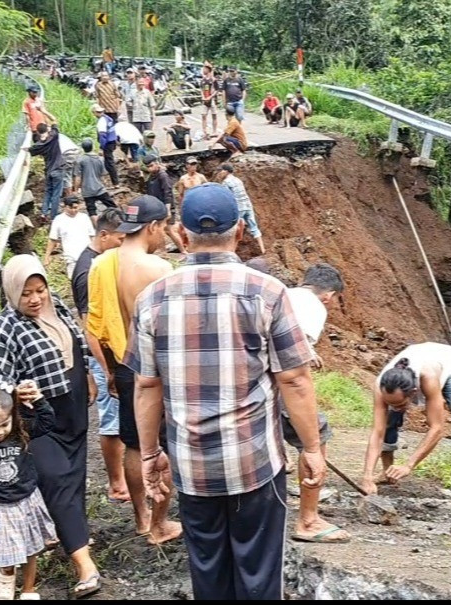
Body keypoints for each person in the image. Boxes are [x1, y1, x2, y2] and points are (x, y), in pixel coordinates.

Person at [125, 183, 325, 600]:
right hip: (254, 463)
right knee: (258, 573)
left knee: (208, 571)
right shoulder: (268, 292)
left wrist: (148, 454)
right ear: (239, 233)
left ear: (181, 234)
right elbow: (294, 378)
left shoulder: (152, 299)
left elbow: (146, 384)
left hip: (192, 466)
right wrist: (311, 448)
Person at [0, 255, 102, 599]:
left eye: (40, 290)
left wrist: (88, 373)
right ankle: (84, 564)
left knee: (73, 475)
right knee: (58, 479)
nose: (35, 299)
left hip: (73, 406)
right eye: (26, 294)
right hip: (40, 419)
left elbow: (75, 340)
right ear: (11, 292)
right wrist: (14, 391)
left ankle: (65, 531)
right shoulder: (4, 328)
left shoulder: (56, 305)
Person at [87, 195, 183, 546]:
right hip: (156, 368)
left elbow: (95, 324)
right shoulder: (157, 269)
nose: (165, 236)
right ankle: (161, 523)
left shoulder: (102, 263)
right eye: (164, 228)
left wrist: (109, 370)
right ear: (153, 227)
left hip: (124, 365)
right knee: (162, 444)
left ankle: (141, 518)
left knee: (133, 442)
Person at [0, 382, 58, 601]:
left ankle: (29, 589)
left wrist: (37, 399)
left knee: (31, 548)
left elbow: (47, 422)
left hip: (27, 500)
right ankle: (6, 572)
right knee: (6, 551)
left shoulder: (19, 433)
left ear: (12, 416)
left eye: (4, 424)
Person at [362, 342, 451, 496]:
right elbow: (377, 432)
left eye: (400, 403)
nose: (395, 406)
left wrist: (408, 465)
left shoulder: (429, 377)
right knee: (389, 420)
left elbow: (437, 428)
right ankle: (388, 472)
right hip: (420, 353)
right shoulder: (381, 386)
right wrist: (367, 476)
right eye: (390, 403)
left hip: (450, 362)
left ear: (413, 393)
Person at [282, 263, 350, 544]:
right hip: (278, 384)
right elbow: (292, 361)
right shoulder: (314, 307)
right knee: (316, 434)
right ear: (328, 295)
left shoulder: (283, 294)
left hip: (245, 385)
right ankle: (308, 520)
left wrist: (308, 350)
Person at [72, 209, 130, 504]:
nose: (123, 244)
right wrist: (107, 369)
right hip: (102, 355)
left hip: (109, 352)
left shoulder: (98, 262)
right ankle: (117, 483)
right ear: (104, 235)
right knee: (111, 420)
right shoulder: (88, 270)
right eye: (120, 238)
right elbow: (88, 327)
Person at [143, 156, 187, 254]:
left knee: (163, 229)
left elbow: (168, 192)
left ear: (157, 163)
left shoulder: (163, 175)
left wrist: (167, 209)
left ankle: (167, 250)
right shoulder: (151, 177)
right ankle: (181, 250)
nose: (150, 168)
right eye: (148, 167)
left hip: (165, 207)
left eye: (151, 165)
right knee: (168, 230)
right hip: (157, 207)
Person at [216, 163, 263, 253]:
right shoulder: (238, 180)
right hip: (248, 206)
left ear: (226, 171)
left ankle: (231, 252)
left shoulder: (226, 182)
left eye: (220, 171)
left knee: (234, 230)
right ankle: (263, 250)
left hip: (239, 208)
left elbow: (227, 198)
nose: (219, 173)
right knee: (255, 228)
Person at [44, 197, 95, 278]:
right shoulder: (59, 219)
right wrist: (47, 256)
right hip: (71, 258)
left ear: (79, 206)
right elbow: (52, 239)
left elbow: (92, 236)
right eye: (70, 208)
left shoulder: (84, 217)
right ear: (65, 207)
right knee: (75, 281)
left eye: (75, 208)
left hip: (87, 256)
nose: (73, 210)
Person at [28, 123, 66, 221]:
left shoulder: (38, 145)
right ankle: (54, 217)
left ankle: (44, 214)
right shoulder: (54, 136)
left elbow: (29, 150)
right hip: (58, 168)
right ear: (47, 130)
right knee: (56, 194)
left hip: (49, 170)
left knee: (48, 192)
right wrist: (43, 111)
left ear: (38, 132)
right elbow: (54, 122)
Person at [74, 139, 117, 221]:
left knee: (92, 211)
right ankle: (116, 223)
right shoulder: (100, 159)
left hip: (87, 190)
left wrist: (76, 190)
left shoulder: (80, 160)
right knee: (112, 206)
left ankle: (97, 229)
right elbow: (104, 174)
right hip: (99, 188)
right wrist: (105, 184)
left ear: (83, 148)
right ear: (92, 147)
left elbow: (78, 177)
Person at [92, 104, 121, 187]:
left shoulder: (101, 121)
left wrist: (101, 147)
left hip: (107, 143)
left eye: (99, 112)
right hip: (112, 141)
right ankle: (113, 181)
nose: (99, 113)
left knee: (109, 162)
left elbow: (102, 135)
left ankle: (115, 183)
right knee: (108, 162)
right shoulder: (108, 118)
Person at [199, 63, 222, 139]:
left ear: (208, 70)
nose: (203, 70)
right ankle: (204, 131)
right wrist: (203, 96)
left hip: (212, 100)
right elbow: (201, 89)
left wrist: (210, 97)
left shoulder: (213, 80)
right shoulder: (203, 80)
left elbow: (216, 90)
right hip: (205, 100)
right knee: (203, 115)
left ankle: (214, 131)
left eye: (204, 69)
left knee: (214, 115)